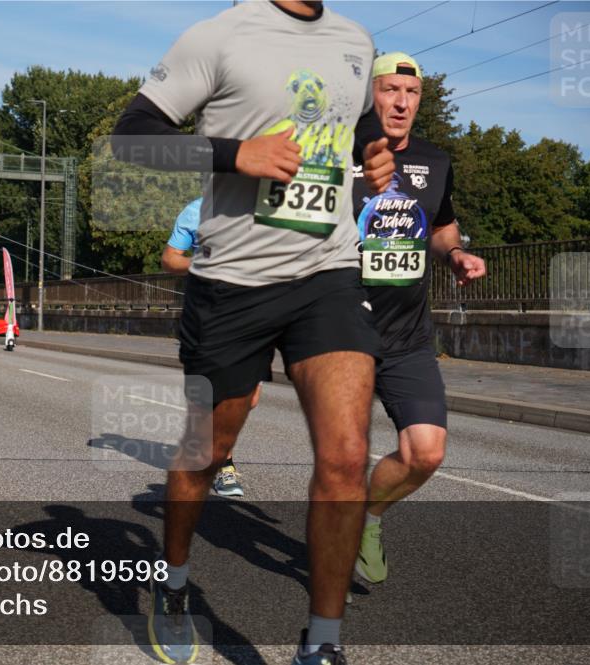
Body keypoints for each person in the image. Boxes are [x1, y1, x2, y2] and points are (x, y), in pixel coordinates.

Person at [112, 2, 395, 662]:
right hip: (232, 280)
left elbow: (357, 135)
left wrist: (372, 159)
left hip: (328, 270)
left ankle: (321, 644)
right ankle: (174, 582)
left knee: (347, 452)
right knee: (207, 449)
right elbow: (133, 138)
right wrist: (238, 153)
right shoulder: (219, 35)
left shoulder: (356, 38)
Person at [351, 52, 486, 587]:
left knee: (425, 453)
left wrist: (455, 255)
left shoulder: (436, 161)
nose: (402, 102)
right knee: (340, 454)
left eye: (412, 94)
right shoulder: (340, 154)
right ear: (372, 95)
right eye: (390, 91)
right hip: (341, 331)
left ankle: (366, 519)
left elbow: (442, 228)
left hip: (407, 335)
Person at [162, 197, 259, 498]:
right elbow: (169, 259)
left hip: (253, 312)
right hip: (208, 313)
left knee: (250, 398)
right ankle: (223, 465)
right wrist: (201, 263)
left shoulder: (262, 206)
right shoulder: (195, 210)